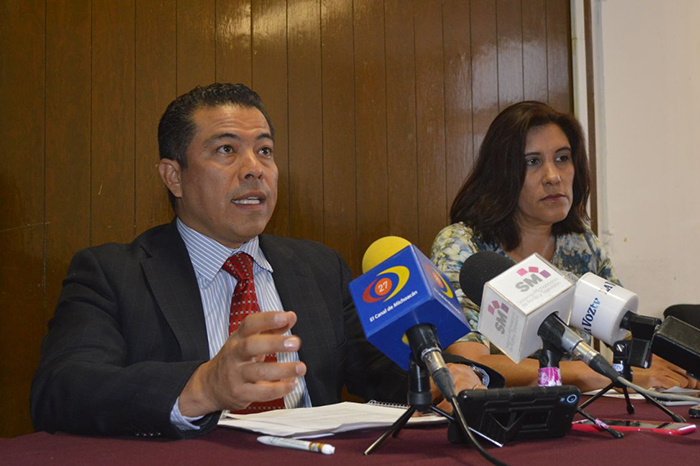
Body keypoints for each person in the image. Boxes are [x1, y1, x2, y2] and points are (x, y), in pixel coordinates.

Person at [31, 83, 492, 439]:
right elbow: (60, 390)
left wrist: (444, 376)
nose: (254, 168)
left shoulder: (318, 268)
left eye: (265, 151)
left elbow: (382, 373)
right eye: (226, 150)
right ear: (174, 176)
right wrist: (202, 387)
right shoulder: (113, 273)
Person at [431, 100, 697, 392]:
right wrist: (607, 374)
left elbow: (625, 335)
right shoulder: (462, 245)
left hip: (572, 407)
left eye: (562, 158)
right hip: (500, 410)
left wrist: (670, 369)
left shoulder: (580, 245)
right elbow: (472, 362)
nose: (553, 176)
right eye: (532, 162)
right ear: (501, 173)